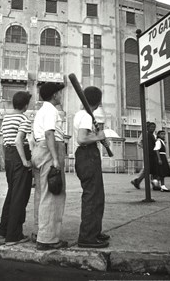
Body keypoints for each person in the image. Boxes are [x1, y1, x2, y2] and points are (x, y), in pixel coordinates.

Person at [32, 82, 67, 251]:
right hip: (49, 150)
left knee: (41, 193)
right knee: (53, 194)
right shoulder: (51, 111)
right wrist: (55, 159)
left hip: (39, 149)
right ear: (54, 95)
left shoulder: (41, 111)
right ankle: (47, 239)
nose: (61, 96)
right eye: (60, 93)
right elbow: (49, 133)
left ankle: (40, 232)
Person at [73, 86, 110, 248]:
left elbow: (85, 136)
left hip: (86, 156)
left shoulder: (82, 114)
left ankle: (94, 231)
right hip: (87, 156)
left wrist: (96, 136)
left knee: (97, 196)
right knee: (92, 197)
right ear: (99, 101)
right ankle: (87, 237)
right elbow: (81, 139)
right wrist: (98, 136)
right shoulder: (87, 115)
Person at [0, 91, 33, 246]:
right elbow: (19, 140)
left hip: (9, 157)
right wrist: (25, 161)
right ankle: (13, 235)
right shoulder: (24, 118)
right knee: (20, 196)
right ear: (25, 105)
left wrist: (6, 159)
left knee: (12, 193)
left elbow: (1, 142)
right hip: (20, 156)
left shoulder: (6, 118)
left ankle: (4, 229)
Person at [130, 122, 159, 190]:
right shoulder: (145, 133)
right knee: (147, 168)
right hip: (148, 153)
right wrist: (146, 148)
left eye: (154, 127)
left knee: (149, 169)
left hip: (152, 153)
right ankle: (137, 180)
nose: (152, 128)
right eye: (151, 127)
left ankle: (139, 181)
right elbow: (139, 143)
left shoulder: (153, 134)